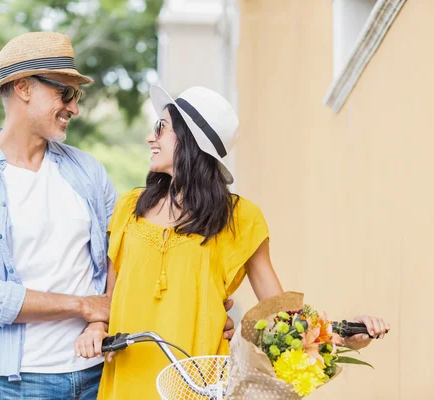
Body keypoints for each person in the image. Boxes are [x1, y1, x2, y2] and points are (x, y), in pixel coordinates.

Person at [0, 32, 237, 399]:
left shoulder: (88, 171)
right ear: (23, 88)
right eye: (64, 93)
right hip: (19, 382)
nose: (74, 107)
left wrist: (202, 303)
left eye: (76, 96)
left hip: (101, 370)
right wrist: (82, 305)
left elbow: (128, 260)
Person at [74, 85, 390, 399]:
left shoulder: (241, 218)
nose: (150, 138)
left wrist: (343, 333)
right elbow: (111, 295)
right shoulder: (129, 207)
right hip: (127, 374)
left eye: (162, 128)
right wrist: (95, 328)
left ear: (189, 142)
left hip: (197, 379)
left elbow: (278, 311)